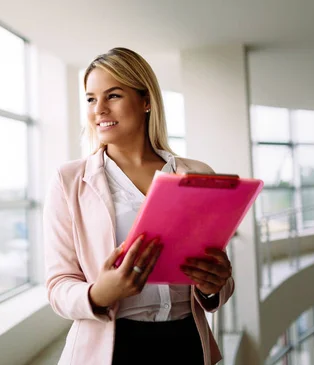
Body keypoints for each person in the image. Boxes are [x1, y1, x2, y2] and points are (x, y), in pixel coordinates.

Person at [42, 47, 234, 365]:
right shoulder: (69, 181)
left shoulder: (198, 175)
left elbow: (220, 280)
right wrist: (99, 293)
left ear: (146, 101)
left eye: (113, 95)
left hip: (185, 342)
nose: (98, 109)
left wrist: (214, 285)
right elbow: (58, 286)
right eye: (90, 98)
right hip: (110, 348)